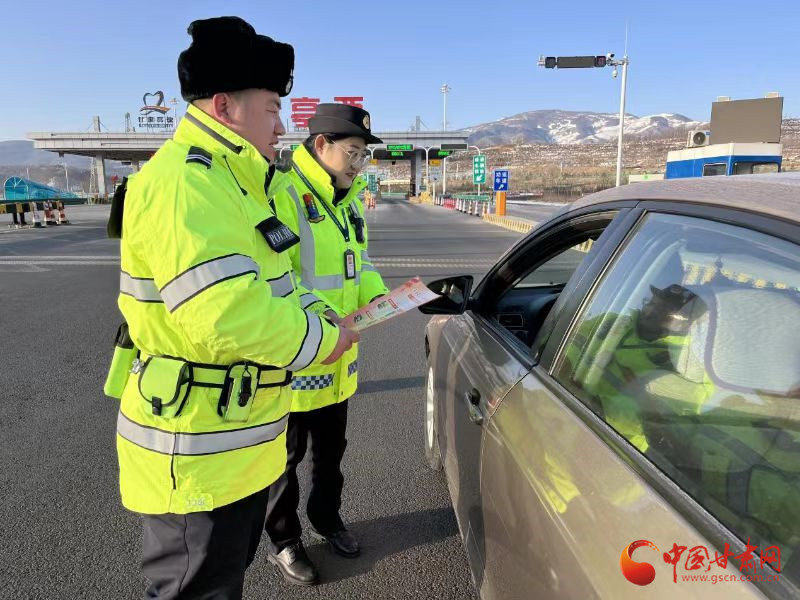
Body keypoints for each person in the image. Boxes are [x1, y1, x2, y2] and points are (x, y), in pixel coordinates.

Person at [105, 17, 357, 599]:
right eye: (272, 108)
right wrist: (323, 341)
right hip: (197, 451)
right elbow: (224, 313)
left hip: (236, 448)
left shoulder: (240, 183)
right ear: (224, 106)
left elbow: (278, 283)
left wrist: (324, 315)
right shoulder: (186, 183)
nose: (283, 124)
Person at [264, 103, 388, 585]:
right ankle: (285, 540)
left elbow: (361, 261)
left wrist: (378, 295)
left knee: (331, 453)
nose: (359, 164)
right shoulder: (284, 196)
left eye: (363, 156)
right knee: (285, 459)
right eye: (353, 153)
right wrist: (324, 316)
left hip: (339, 357)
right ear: (321, 145)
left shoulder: (350, 202)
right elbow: (279, 276)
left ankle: (327, 518)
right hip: (299, 355)